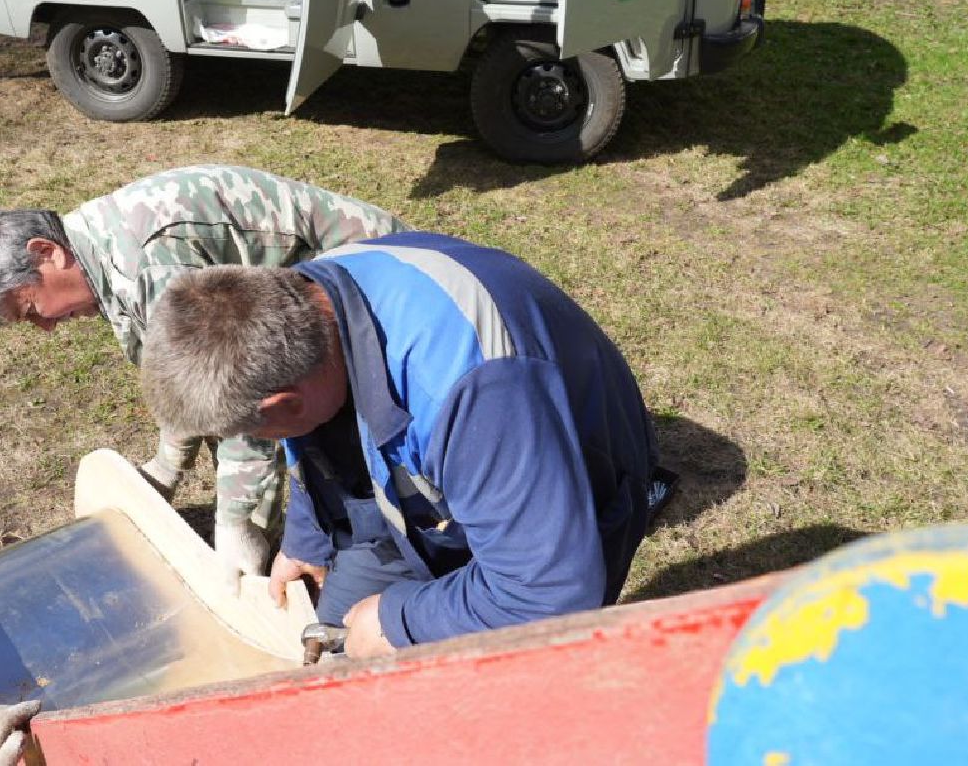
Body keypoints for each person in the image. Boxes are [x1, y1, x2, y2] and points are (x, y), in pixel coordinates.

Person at [140, 232, 663, 659]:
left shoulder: (472, 384)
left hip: (563, 491)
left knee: (506, 688)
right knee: (330, 658)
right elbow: (317, 427)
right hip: (423, 480)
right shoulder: (310, 301)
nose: (257, 444)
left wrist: (399, 622)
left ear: (283, 405)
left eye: (254, 433)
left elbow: (549, 593)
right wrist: (306, 539)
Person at [0, 165, 408, 585]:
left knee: (337, 442)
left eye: (31, 309)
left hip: (377, 287)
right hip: (299, 303)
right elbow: (182, 377)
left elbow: (245, 392)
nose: (43, 326)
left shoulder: (153, 261)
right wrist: (167, 466)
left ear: (45, 253)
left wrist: (236, 521)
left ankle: (351, 553)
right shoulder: (93, 252)